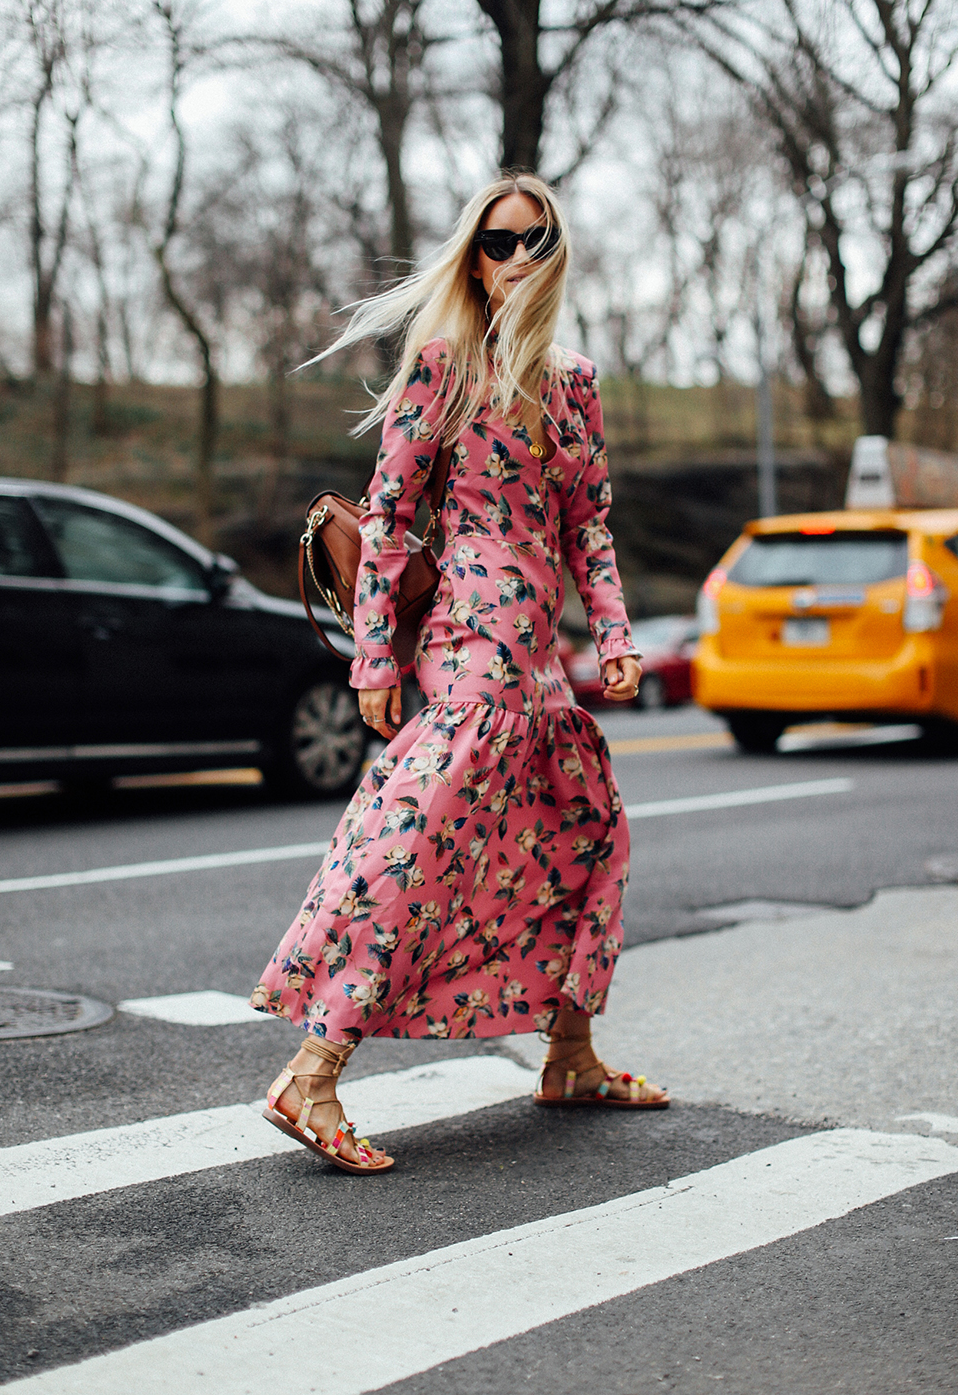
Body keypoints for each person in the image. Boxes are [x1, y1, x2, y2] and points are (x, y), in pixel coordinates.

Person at [250, 173, 669, 1175]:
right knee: (418, 841)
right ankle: (310, 1071)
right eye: (496, 242)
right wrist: (371, 659)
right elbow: (390, 515)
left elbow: (587, 523)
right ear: (471, 256)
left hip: (541, 655)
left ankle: (568, 1055)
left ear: (557, 251)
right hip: (468, 641)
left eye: (535, 240)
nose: (516, 258)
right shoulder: (442, 366)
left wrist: (612, 631)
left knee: (584, 830)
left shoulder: (574, 379)